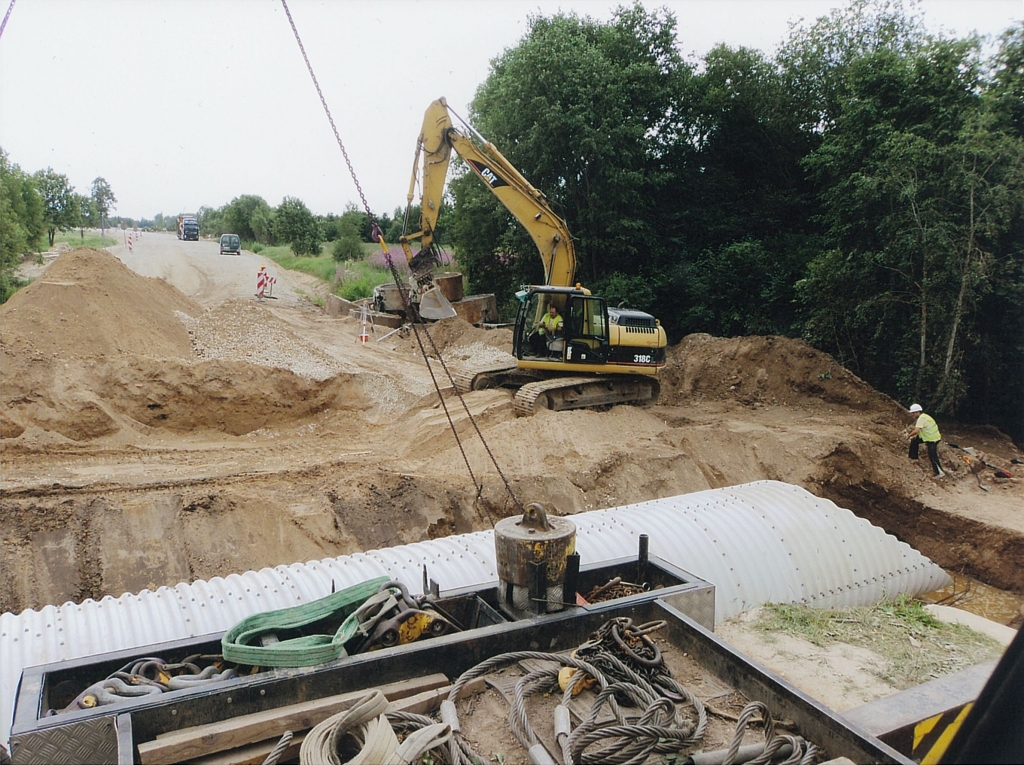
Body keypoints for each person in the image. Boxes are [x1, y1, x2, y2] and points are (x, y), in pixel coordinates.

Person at [906, 403, 946, 479]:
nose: (912, 415)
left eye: (913, 413)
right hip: (928, 437)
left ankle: (940, 473)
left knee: (932, 456)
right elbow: (922, 429)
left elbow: (916, 430)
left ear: (917, 412)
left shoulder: (921, 419)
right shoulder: (925, 416)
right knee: (914, 441)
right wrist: (914, 436)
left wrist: (909, 435)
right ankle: (913, 458)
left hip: (932, 439)